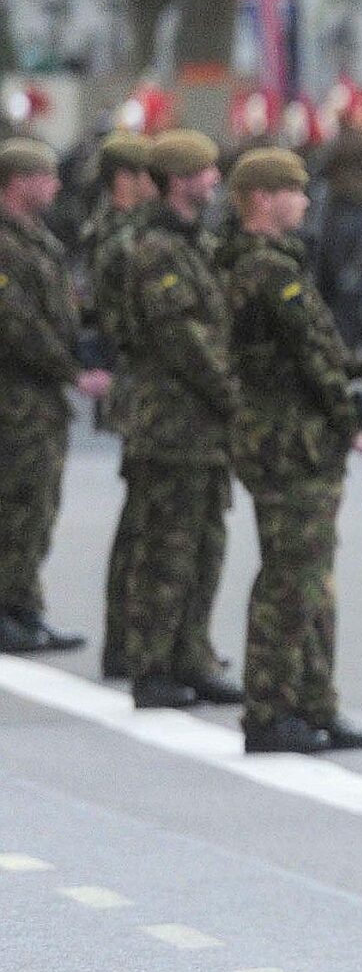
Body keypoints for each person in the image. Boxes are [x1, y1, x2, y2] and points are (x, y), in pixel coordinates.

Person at [221, 147, 362, 754]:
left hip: (292, 439)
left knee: (314, 576)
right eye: (294, 191)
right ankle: (270, 710)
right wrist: (356, 428)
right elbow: (315, 359)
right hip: (286, 442)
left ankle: (314, 702)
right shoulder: (268, 268)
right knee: (292, 579)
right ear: (264, 200)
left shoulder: (269, 263)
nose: (304, 201)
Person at [120, 129, 243, 709]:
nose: (215, 180)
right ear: (176, 182)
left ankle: (190, 654)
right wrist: (234, 394)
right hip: (172, 427)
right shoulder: (157, 252)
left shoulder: (195, 244)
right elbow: (185, 342)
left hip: (202, 429)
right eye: (205, 171)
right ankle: (153, 664)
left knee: (204, 546)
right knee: (166, 550)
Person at [0, 138, 112, 653]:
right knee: (16, 505)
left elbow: (59, 312)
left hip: (38, 400)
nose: (57, 185)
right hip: (14, 398)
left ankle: (23, 606)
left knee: (37, 506)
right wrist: (72, 371)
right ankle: (8, 610)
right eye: (46, 177)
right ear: (19, 184)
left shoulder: (37, 239)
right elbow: (16, 325)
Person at [78, 128, 154, 676]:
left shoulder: (123, 232)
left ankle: (132, 639)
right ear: (127, 180)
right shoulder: (121, 238)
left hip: (137, 386)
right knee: (146, 520)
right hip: (140, 387)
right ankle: (128, 640)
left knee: (145, 517)